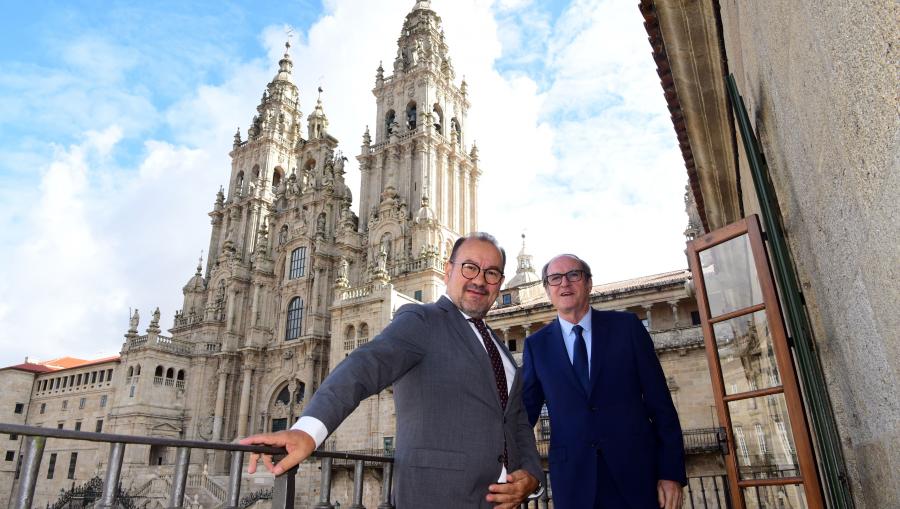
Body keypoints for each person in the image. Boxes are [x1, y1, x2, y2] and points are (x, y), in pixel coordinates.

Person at [241, 232, 541, 508]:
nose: (479, 279)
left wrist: (532, 475)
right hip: (437, 497)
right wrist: (307, 431)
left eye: (491, 273)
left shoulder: (499, 348)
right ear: (448, 271)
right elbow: (364, 366)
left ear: (500, 283)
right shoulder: (422, 320)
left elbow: (516, 421)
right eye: (470, 267)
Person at [522, 254, 686, 509]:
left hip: (636, 475)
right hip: (573, 481)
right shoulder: (536, 346)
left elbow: (662, 406)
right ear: (547, 290)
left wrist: (671, 473)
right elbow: (524, 415)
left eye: (573, 275)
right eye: (555, 278)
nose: (564, 283)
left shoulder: (627, 328)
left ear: (588, 283)